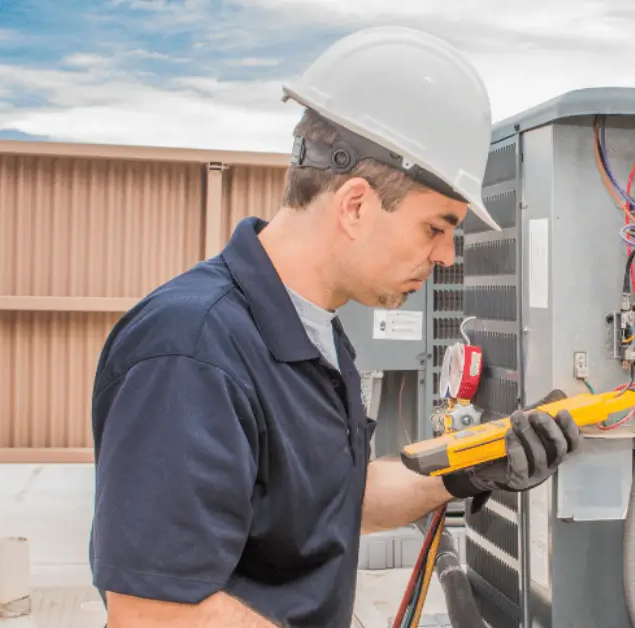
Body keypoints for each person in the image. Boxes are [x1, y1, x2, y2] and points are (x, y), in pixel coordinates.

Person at [88, 27, 581, 627]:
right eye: (436, 227)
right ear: (354, 205)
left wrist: (479, 464)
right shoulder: (189, 351)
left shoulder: (313, 330)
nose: (448, 255)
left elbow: (330, 505)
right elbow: (156, 613)